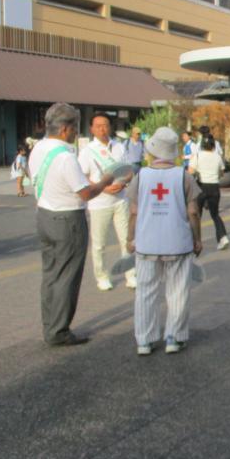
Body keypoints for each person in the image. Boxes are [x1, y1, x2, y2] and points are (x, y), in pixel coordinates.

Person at [29, 103, 118, 347]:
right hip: (67, 220)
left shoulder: (38, 148)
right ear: (66, 128)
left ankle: (50, 325)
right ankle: (60, 331)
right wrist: (106, 180)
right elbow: (86, 193)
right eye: (75, 128)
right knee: (67, 276)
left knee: (51, 274)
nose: (76, 133)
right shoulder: (66, 157)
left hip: (45, 215)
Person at [126, 126, 202, 356]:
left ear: (153, 152)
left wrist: (131, 238)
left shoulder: (141, 177)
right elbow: (194, 212)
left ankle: (144, 341)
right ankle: (174, 337)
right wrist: (197, 238)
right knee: (178, 291)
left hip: (147, 243)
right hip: (177, 242)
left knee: (145, 291)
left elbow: (133, 212)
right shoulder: (184, 176)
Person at [78, 112, 136, 292]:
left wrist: (125, 182)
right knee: (99, 243)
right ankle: (102, 276)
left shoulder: (119, 146)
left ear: (110, 127)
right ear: (92, 129)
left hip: (121, 200)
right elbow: (82, 177)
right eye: (98, 126)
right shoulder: (87, 151)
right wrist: (102, 188)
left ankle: (131, 275)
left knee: (127, 239)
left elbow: (130, 170)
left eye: (105, 125)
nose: (102, 129)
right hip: (99, 202)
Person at [191, 134, 229, 250]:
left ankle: (193, 240)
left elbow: (190, 171)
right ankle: (223, 238)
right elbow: (222, 173)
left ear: (202, 145)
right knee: (215, 214)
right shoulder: (217, 156)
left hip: (201, 187)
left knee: (196, 215)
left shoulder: (197, 155)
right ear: (213, 145)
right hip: (214, 188)